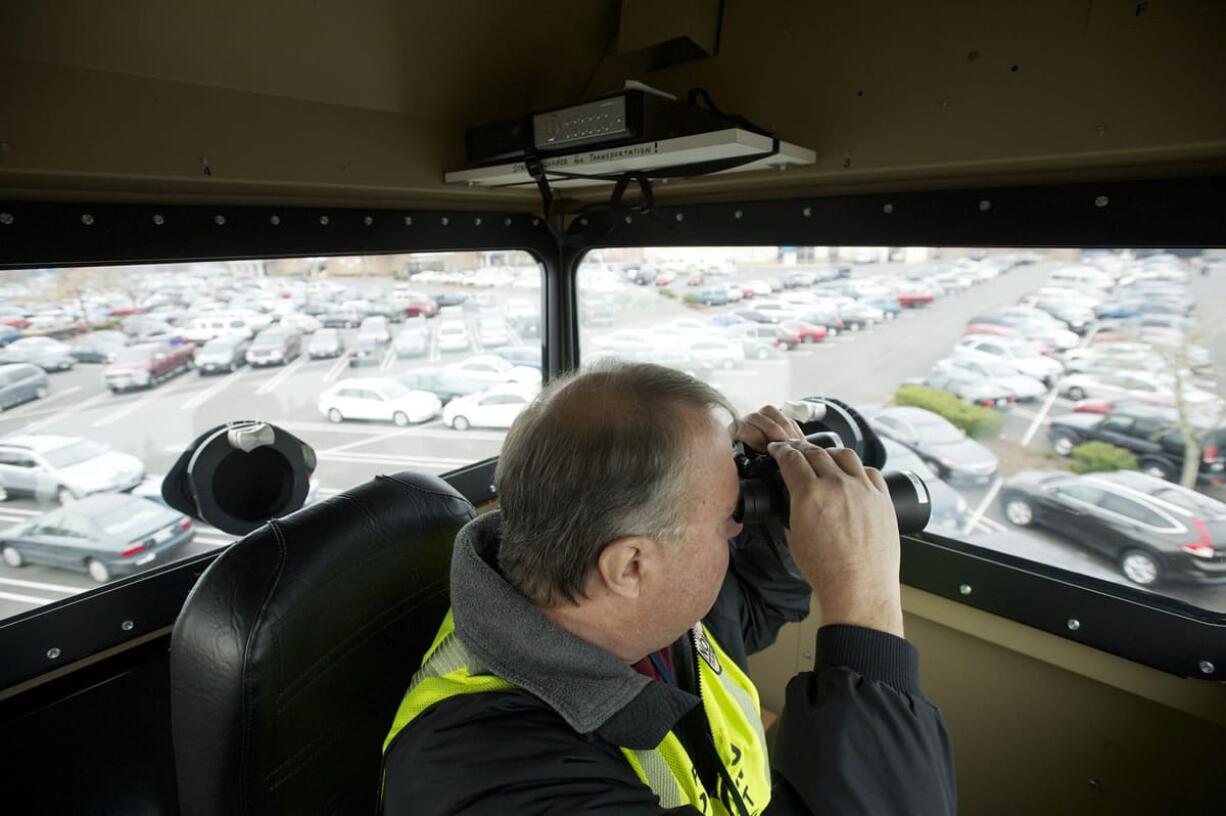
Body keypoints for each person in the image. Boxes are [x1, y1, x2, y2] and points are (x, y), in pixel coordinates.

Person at [382, 362, 956, 815]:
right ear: (630, 565)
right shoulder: (493, 775)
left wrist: (784, 521)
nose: (737, 528)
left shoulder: (609, 596)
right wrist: (864, 597)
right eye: (727, 516)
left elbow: (753, 609)